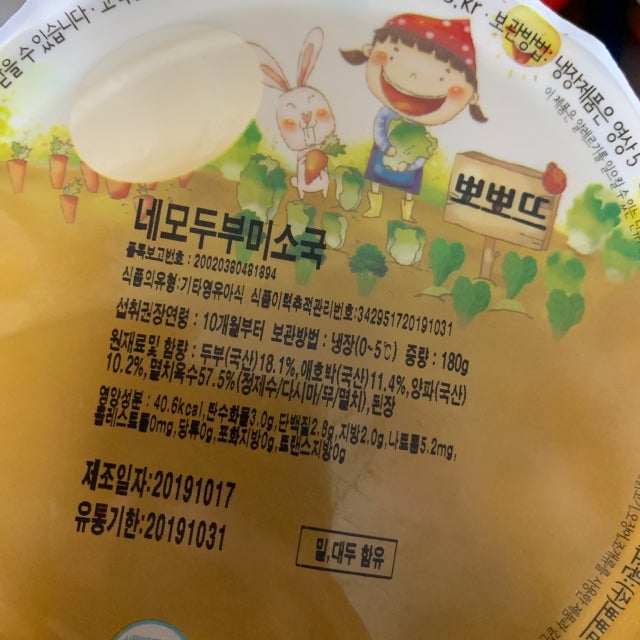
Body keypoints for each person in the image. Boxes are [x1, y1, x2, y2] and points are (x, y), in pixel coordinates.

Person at [341, 14, 487, 222]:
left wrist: (411, 165)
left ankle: (406, 215)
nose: (413, 78)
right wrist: (386, 147)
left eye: (442, 78)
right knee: (375, 179)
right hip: (384, 152)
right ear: (369, 51)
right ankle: (374, 208)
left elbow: (423, 152)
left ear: (471, 96)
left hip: (409, 165)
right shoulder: (387, 115)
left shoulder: (421, 135)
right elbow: (380, 127)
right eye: (394, 58)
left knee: (409, 189)